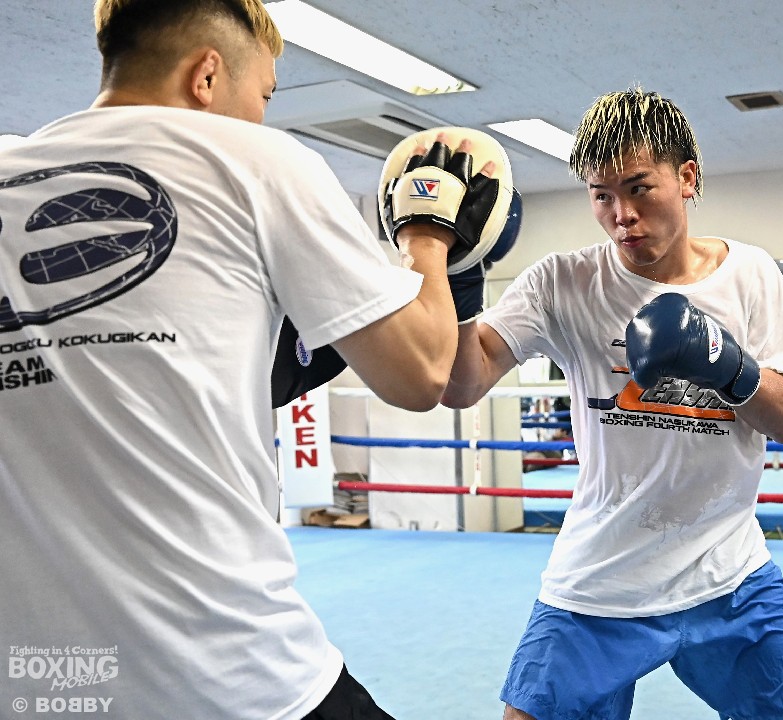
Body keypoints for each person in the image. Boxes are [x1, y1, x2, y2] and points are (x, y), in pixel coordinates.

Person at [0, 1, 486, 718]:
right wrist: (427, 237)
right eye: (264, 93)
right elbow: (421, 374)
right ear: (206, 75)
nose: (261, 114)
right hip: (227, 675)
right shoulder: (256, 159)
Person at [442, 87, 783, 720]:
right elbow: (461, 385)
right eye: (601, 195)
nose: (621, 215)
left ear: (687, 178)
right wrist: (458, 280)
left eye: (639, 188)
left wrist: (725, 363)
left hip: (730, 573)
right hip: (599, 581)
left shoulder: (751, 274)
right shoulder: (562, 282)